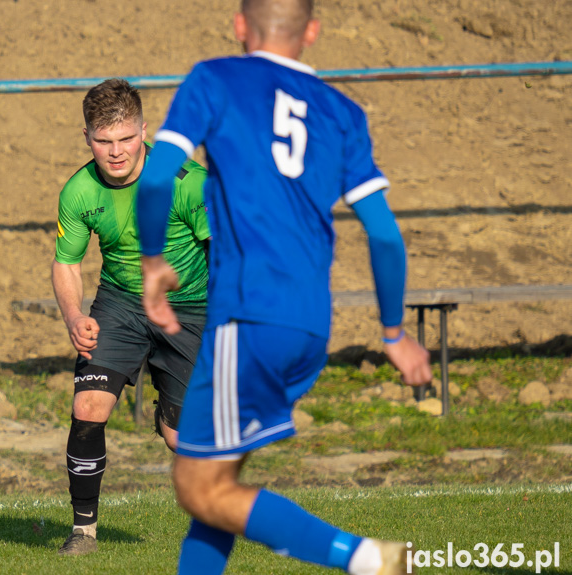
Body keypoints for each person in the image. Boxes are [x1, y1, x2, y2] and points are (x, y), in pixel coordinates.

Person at [135, 1, 433, 574]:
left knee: (197, 487)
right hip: (307, 324)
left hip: (247, 315)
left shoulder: (215, 78)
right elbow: (385, 235)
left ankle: (365, 558)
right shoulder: (342, 112)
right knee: (218, 482)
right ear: (313, 32)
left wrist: (153, 262)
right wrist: (393, 333)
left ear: (239, 25)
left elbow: (155, 177)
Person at [51, 78, 211, 556]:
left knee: (180, 438)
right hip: (120, 304)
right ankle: (83, 533)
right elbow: (66, 263)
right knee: (88, 408)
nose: (116, 152)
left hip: (189, 308)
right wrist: (75, 316)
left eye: (125, 138)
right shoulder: (79, 192)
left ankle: (168, 408)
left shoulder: (187, 182)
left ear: (144, 130)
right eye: (103, 141)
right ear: (87, 138)